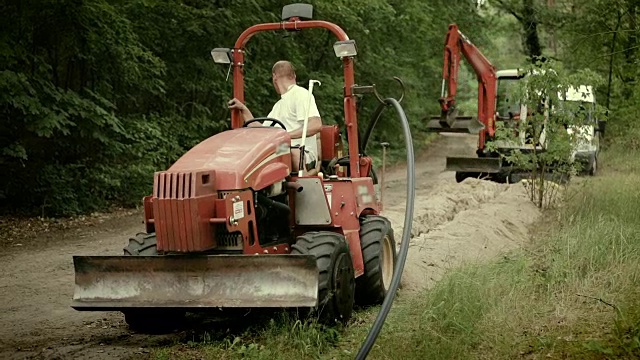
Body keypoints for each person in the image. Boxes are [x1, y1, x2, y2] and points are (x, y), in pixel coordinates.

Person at [227, 60, 323, 173]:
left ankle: (304, 186)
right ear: (294, 76)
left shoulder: (300, 94)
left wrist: (285, 136)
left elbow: (316, 125)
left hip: (302, 151)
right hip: (282, 148)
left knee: (290, 151)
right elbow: (262, 130)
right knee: (256, 155)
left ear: (274, 77)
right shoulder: (279, 105)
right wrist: (244, 109)